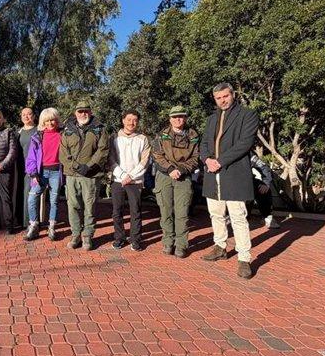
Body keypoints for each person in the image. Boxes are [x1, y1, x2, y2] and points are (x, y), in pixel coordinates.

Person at [199, 83, 259, 279]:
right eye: (218, 98)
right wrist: (207, 159)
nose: (223, 100)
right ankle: (220, 247)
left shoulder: (247, 115)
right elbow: (205, 143)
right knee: (215, 214)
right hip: (211, 173)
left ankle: (244, 258)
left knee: (238, 217)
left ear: (233, 95)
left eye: (226, 96)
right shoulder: (211, 119)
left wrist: (220, 161)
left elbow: (245, 143)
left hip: (234, 173)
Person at [59, 100, 109, 251]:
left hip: (91, 175)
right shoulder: (67, 129)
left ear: (91, 112)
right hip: (72, 174)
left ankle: (87, 236)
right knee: (73, 205)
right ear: (75, 113)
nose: (83, 114)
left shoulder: (100, 129)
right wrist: (75, 166)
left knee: (90, 206)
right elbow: (63, 152)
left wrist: (89, 167)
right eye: (80, 111)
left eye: (86, 111)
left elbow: (103, 150)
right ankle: (75, 234)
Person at [152, 106, 200, 258]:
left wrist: (183, 170)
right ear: (170, 119)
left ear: (185, 118)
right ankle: (168, 241)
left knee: (182, 212)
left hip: (183, 177)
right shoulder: (162, 135)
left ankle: (181, 245)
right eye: (174, 117)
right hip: (164, 175)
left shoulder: (193, 135)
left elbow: (196, 157)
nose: (178, 119)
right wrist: (171, 169)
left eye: (181, 116)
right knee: (165, 211)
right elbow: (157, 156)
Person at [109, 110, 151, 251]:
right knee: (117, 211)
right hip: (118, 180)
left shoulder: (143, 139)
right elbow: (111, 159)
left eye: (134, 120)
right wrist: (121, 175)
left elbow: (145, 161)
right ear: (123, 120)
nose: (131, 122)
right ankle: (119, 238)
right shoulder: (114, 137)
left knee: (136, 211)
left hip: (135, 181)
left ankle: (136, 239)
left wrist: (131, 176)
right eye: (128, 119)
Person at [23, 107, 63, 242]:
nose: (50, 123)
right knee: (31, 198)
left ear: (57, 121)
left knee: (54, 201)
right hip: (41, 173)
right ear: (43, 122)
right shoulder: (38, 137)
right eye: (47, 121)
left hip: (56, 172)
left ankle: (52, 226)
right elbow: (31, 157)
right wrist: (33, 173)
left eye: (53, 120)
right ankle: (33, 225)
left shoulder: (62, 135)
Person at [16, 107, 37, 227]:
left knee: (32, 195)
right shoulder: (18, 132)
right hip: (20, 169)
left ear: (33, 116)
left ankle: (32, 222)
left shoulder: (38, 130)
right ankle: (22, 221)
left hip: (33, 170)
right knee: (22, 194)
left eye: (29, 114)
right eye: (23, 114)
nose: (26, 116)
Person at [251, 153, 280, 229]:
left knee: (263, 188)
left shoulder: (248, 153)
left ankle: (267, 216)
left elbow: (263, 167)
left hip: (246, 182)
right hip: (226, 184)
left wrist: (266, 183)